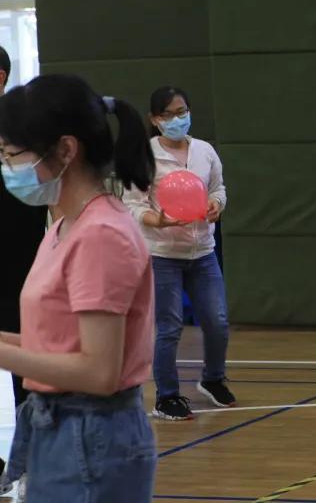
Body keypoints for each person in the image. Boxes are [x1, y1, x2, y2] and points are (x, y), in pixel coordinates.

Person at [0, 74, 157, 501]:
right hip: (59, 429)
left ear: (66, 150)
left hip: (92, 438)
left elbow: (98, 372)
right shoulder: (65, 226)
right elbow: (56, 342)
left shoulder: (101, 234)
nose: (7, 167)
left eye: (13, 155)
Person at [123, 86, 233, 421]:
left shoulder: (205, 151)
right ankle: (167, 396)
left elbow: (217, 188)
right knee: (168, 326)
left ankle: (212, 379)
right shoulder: (144, 155)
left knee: (217, 321)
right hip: (162, 255)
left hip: (203, 252)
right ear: (154, 120)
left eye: (182, 112)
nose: (176, 119)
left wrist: (217, 204)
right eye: (168, 114)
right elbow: (132, 204)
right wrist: (156, 220)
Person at [0, 46, 46, 488]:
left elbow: (37, 194)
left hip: (19, 264)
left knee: (24, 364)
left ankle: (30, 454)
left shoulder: (22, 127)